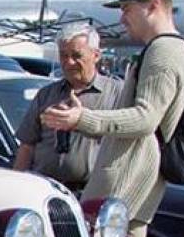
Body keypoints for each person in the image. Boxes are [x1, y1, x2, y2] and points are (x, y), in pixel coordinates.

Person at [41, 0, 184, 237]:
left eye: (127, 9)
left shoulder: (164, 51)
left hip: (124, 188)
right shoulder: (172, 48)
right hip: (129, 189)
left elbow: (146, 118)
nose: (122, 18)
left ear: (153, 5)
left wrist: (82, 119)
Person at [12, 24, 122, 192]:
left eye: (77, 56)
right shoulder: (47, 94)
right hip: (44, 189)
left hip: (92, 192)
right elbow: (27, 145)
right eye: (64, 55)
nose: (69, 62)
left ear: (96, 55)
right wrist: (16, 186)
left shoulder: (116, 93)